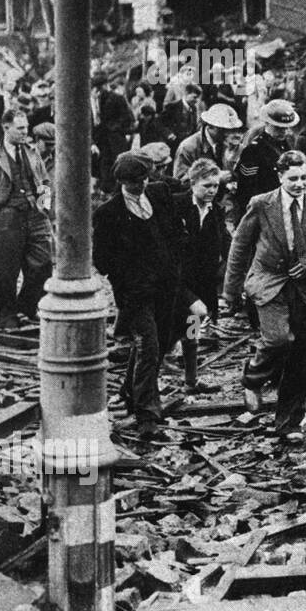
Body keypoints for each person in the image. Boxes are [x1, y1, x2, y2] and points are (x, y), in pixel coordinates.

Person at [221, 150, 306, 441]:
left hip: (304, 287)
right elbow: (240, 247)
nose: (299, 184)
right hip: (268, 281)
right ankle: (253, 377)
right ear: (279, 176)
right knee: (278, 339)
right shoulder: (261, 204)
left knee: (303, 353)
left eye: (304, 177)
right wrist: (229, 294)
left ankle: (291, 419)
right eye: (292, 178)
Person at [92, 152, 188, 442]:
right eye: (135, 182)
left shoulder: (159, 194)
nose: (142, 185)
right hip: (135, 293)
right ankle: (147, 414)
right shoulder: (109, 213)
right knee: (148, 345)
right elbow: (103, 260)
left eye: (145, 178)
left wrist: (174, 261)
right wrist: (131, 274)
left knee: (160, 339)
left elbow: (175, 232)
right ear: (122, 182)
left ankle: (130, 390)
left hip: (166, 286)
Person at [0, 110, 52, 328]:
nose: (25, 132)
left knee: (43, 263)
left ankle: (27, 307)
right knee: (5, 270)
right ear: (5, 127)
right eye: (20, 128)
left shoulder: (32, 152)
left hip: (34, 214)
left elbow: (45, 181)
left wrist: (44, 207)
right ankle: (5, 315)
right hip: (7, 215)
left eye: (26, 128)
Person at [176, 158, 227, 395]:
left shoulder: (216, 211)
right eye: (207, 185)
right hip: (176, 282)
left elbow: (225, 241)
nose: (212, 191)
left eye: (215, 186)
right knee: (163, 336)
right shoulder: (177, 207)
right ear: (193, 182)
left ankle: (190, 380)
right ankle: (136, 390)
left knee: (191, 332)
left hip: (201, 283)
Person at [232, 98, 297, 216]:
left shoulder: (287, 143)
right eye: (279, 128)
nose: (284, 132)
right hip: (263, 209)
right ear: (267, 123)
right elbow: (246, 189)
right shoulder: (253, 150)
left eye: (287, 128)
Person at [174, 103, 241, 181]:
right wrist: (214, 178)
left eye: (231, 130)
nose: (228, 134)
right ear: (210, 126)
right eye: (223, 129)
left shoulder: (224, 143)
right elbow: (180, 181)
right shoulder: (188, 147)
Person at [92, 74, 135, 194]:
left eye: (99, 88)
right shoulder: (96, 101)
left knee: (119, 161)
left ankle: (120, 189)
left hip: (116, 138)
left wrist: (115, 128)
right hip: (103, 138)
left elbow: (127, 118)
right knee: (105, 163)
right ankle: (107, 189)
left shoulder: (117, 98)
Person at [161, 80, 203, 149]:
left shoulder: (194, 108)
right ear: (186, 93)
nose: (196, 100)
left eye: (198, 98)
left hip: (187, 145)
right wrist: (168, 134)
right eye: (194, 97)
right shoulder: (172, 106)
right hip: (173, 144)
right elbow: (160, 123)